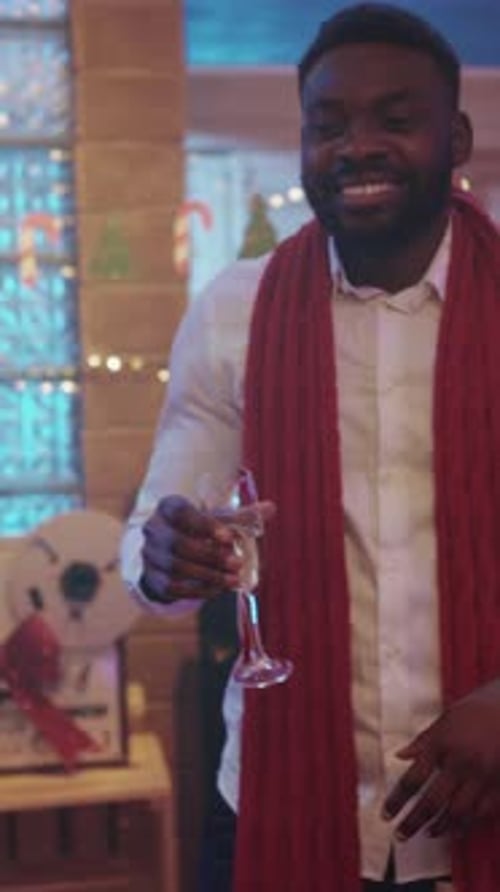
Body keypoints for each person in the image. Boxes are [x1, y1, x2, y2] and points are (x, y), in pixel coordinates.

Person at [120, 3, 500, 891]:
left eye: (396, 121)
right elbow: (157, 530)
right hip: (277, 795)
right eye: (326, 126)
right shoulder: (235, 310)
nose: (355, 147)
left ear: (458, 139)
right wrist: (164, 557)